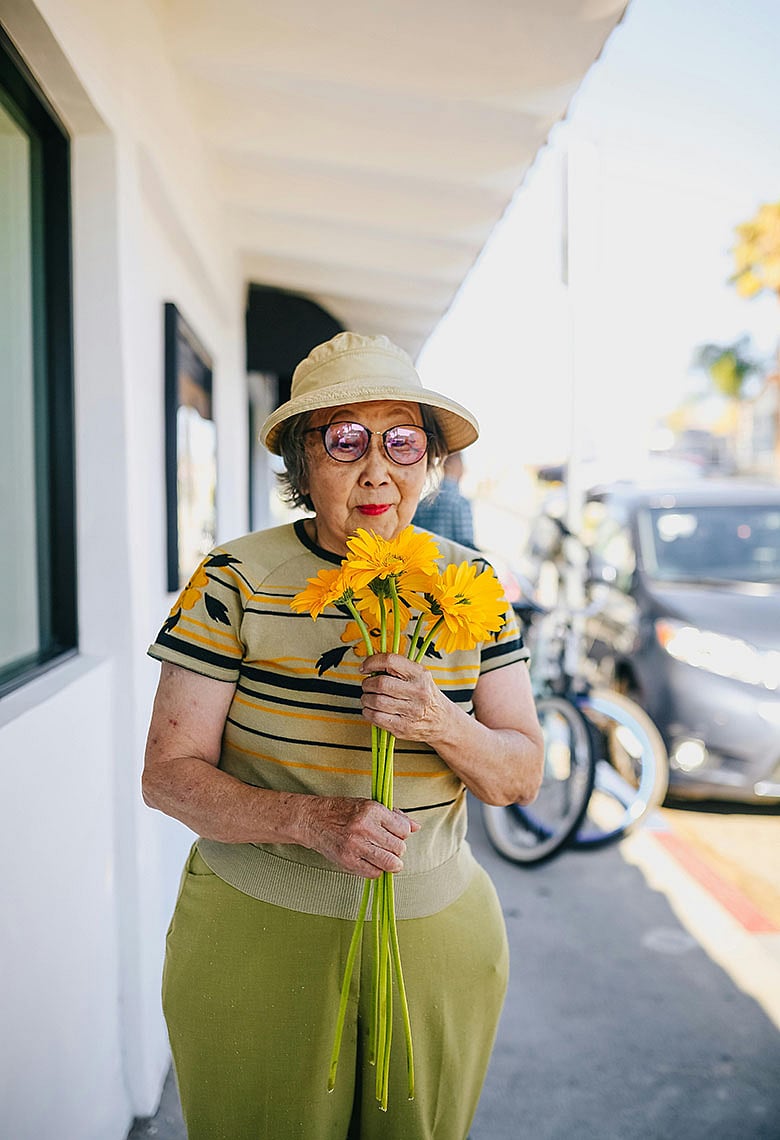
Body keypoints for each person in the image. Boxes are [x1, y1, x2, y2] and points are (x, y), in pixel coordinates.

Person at [143, 331, 544, 1140]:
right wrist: (308, 821)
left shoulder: (472, 582)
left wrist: (439, 721)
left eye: (402, 440)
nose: (376, 469)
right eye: (344, 439)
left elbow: (520, 775)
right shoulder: (235, 578)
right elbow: (167, 775)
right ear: (301, 461)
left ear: (428, 460)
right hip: (258, 937)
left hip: (439, 941)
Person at [412, 449, 477, 548]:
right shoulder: (460, 503)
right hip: (451, 562)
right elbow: (466, 545)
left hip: (424, 561)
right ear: (459, 467)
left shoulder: (423, 502)